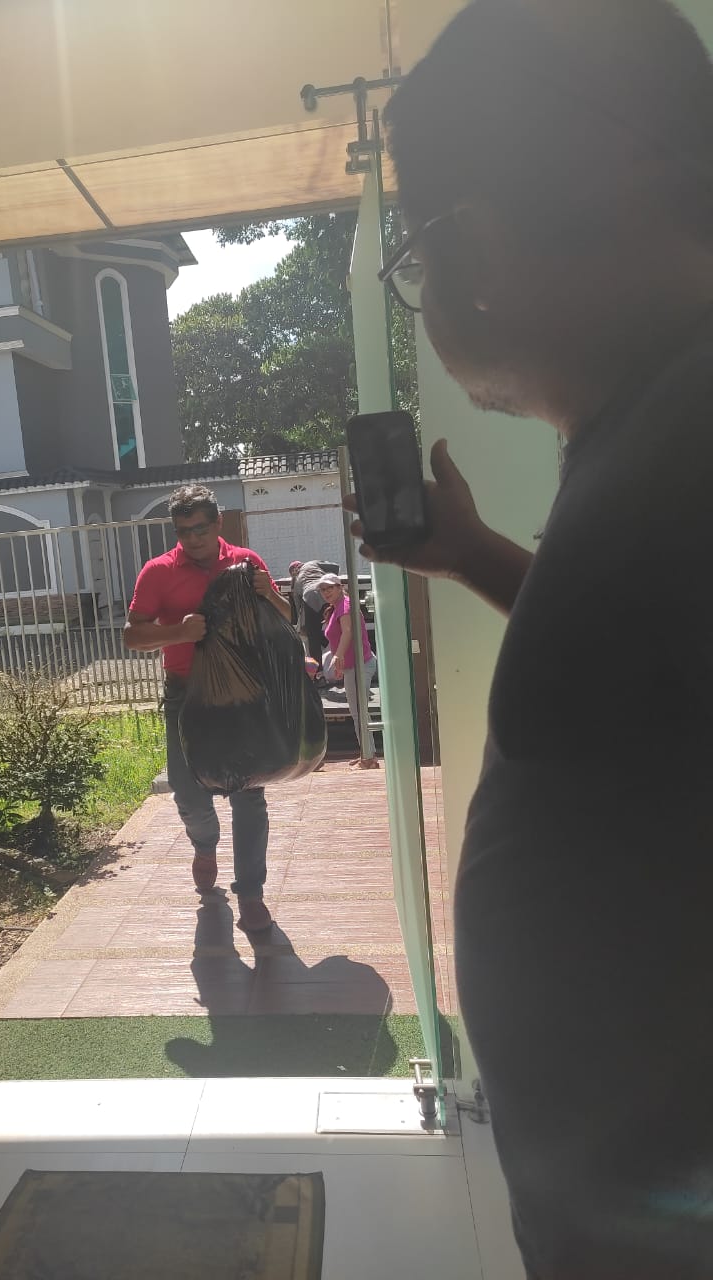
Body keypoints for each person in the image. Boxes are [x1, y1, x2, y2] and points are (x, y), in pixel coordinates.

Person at [348, 2, 713, 1276]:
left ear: (484, 241)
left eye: (425, 242)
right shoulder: (653, 430)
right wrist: (474, 555)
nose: (439, 284)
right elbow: (649, 676)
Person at [123, 485, 292, 934]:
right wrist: (178, 633)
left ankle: (251, 894)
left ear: (218, 523)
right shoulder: (158, 572)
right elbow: (133, 636)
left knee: (249, 793)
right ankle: (204, 844)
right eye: (184, 531)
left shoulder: (247, 562)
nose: (194, 538)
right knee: (188, 790)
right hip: (186, 696)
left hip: (244, 695)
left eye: (201, 528)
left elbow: (287, 619)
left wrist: (271, 596)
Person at [315, 573, 379, 769]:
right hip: (353, 666)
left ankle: (369, 758)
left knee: (359, 712)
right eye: (323, 590)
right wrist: (341, 664)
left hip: (361, 665)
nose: (326, 592)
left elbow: (348, 632)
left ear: (339, 587)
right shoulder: (336, 608)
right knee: (358, 712)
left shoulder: (345, 606)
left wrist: (338, 657)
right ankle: (366, 754)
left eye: (330, 588)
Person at [288, 558, 339, 672]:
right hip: (327, 594)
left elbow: (298, 606)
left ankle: (318, 672)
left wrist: (300, 624)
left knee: (313, 637)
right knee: (336, 628)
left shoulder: (295, 581)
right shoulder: (312, 563)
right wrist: (331, 582)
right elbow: (335, 566)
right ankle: (343, 663)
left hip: (310, 598)